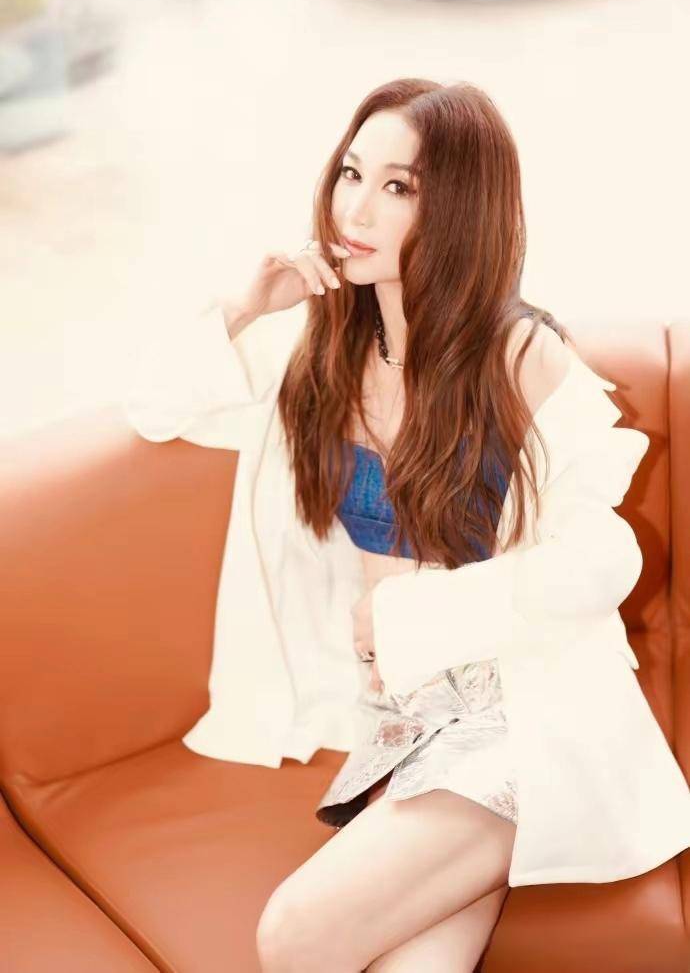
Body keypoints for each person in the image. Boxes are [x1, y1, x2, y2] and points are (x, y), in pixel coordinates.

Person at [123, 78, 690, 973]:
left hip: (520, 711)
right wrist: (246, 303)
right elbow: (155, 407)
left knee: (295, 934)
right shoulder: (318, 343)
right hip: (395, 719)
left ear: (459, 206)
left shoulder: (519, 352)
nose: (355, 209)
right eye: (351, 173)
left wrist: (405, 615)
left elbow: (603, 558)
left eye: (398, 187)